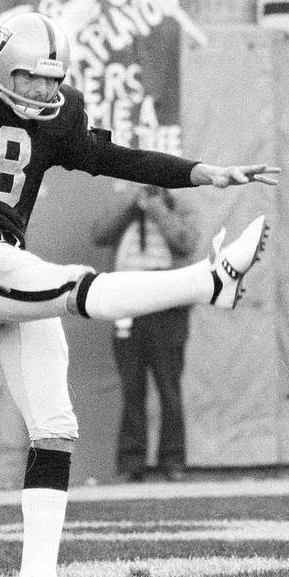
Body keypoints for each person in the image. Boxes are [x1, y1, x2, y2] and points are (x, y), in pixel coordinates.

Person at [0, 10, 279, 577]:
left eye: (55, 80)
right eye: (33, 79)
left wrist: (201, 173)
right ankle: (210, 281)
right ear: (0, 68)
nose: (47, 91)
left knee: (55, 427)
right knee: (78, 287)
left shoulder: (61, 112)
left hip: (4, 264)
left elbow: (117, 159)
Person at [91, 183, 199, 484]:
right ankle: (132, 463)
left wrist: (158, 209)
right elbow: (99, 234)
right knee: (132, 388)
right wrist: (131, 207)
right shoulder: (126, 207)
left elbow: (185, 242)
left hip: (167, 303)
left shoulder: (179, 206)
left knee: (169, 387)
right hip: (128, 300)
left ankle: (172, 461)